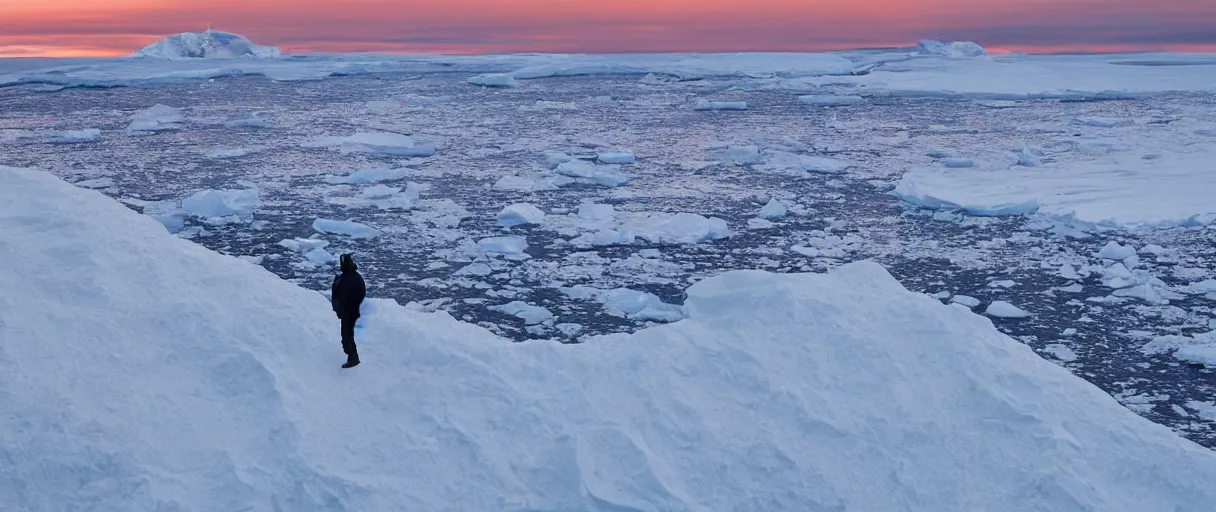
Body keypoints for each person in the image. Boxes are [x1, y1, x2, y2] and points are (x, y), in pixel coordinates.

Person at [331, 253, 366, 368]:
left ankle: (353, 358)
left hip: (348, 312)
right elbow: (361, 293)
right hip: (351, 311)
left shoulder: (346, 279)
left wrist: (345, 307)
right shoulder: (354, 277)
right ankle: (352, 356)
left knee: (346, 335)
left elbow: (341, 296)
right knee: (347, 334)